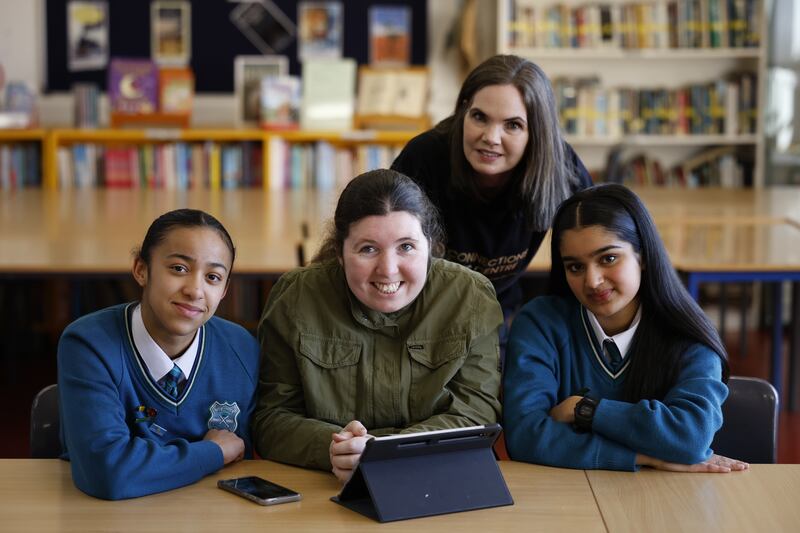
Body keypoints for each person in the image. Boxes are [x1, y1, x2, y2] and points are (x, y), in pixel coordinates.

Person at [252, 169, 503, 483]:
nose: (388, 270)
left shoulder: (471, 297)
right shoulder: (296, 297)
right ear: (340, 253)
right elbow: (270, 417)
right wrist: (331, 447)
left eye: (406, 246)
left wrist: (386, 452)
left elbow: (477, 412)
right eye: (368, 249)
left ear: (430, 245)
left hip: (437, 478)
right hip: (325, 485)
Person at [503, 184, 749, 473]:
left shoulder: (687, 334)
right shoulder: (540, 323)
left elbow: (690, 437)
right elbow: (525, 437)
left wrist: (584, 409)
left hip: (663, 496)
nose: (592, 281)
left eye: (608, 258)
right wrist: (645, 456)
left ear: (642, 256)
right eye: (575, 267)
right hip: (565, 494)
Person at [58, 209, 259, 499]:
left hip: (210, 512)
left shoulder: (242, 350)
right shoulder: (89, 344)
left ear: (225, 290)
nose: (195, 290)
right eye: (179, 268)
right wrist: (212, 452)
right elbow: (107, 471)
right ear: (141, 269)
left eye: (213, 277)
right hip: (108, 516)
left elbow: (241, 467)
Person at [391, 54, 593, 322]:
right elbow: (385, 246)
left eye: (513, 125)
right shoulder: (423, 157)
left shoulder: (561, 167)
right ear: (463, 111)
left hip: (498, 311)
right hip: (422, 312)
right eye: (480, 117)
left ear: (536, 133)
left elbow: (593, 251)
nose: (491, 138)